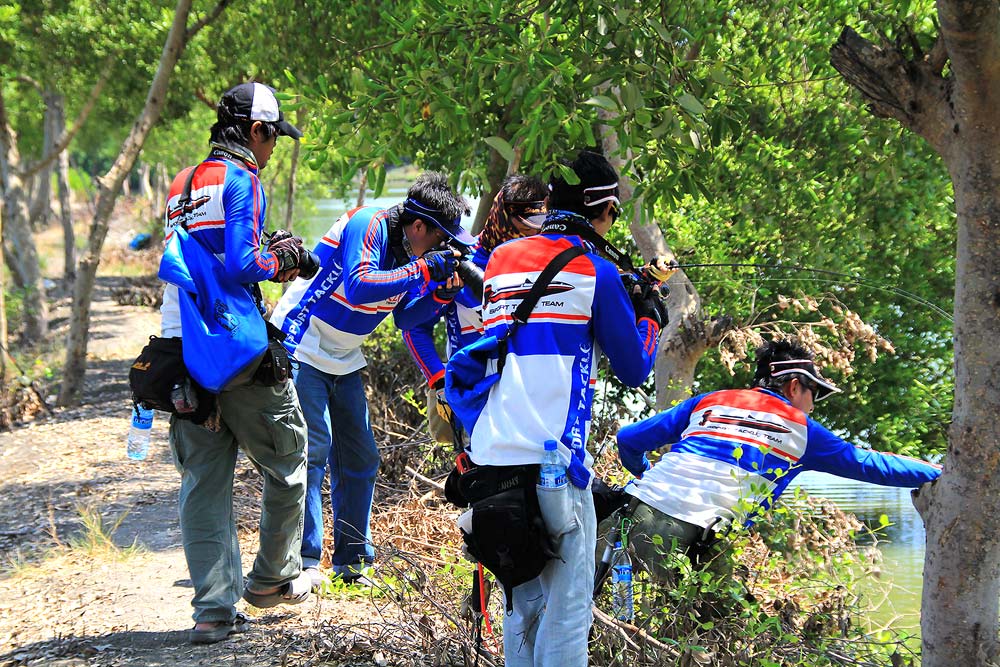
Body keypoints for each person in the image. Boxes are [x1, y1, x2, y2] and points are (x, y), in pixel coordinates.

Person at [447, 150, 665, 667]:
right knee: (569, 611)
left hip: (493, 456)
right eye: (612, 213)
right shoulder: (597, 272)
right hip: (553, 461)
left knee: (522, 603)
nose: (611, 221)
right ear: (602, 208)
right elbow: (635, 369)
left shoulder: (501, 260)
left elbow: (539, 320)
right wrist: (649, 316)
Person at [160, 82, 311, 645]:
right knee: (290, 461)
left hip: (181, 349)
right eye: (274, 138)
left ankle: (212, 613)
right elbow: (247, 265)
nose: (273, 150)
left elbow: (193, 259)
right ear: (256, 132)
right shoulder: (243, 179)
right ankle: (271, 581)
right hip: (236, 352)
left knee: (203, 482)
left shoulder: (180, 184)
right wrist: (286, 257)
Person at [270, 172, 471, 588]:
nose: (444, 249)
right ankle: (305, 563)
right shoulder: (370, 224)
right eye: (441, 239)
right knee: (312, 452)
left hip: (344, 356)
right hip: (302, 343)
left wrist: (440, 295)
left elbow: (403, 317)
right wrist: (422, 268)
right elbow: (360, 286)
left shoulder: (418, 254)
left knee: (361, 459)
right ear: (419, 227)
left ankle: (353, 564)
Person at [611, 338, 943, 580]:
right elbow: (872, 464)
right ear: (795, 386)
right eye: (815, 394)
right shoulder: (802, 429)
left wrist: (645, 474)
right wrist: (942, 472)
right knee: (715, 628)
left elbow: (627, 439)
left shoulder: (710, 400)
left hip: (638, 512)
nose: (813, 406)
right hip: (706, 535)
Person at [401, 175, 547, 443]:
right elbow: (413, 327)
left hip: (525, 395)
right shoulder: (459, 260)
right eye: (525, 230)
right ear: (501, 217)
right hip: (470, 394)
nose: (534, 238)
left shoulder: (545, 265)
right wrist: (439, 381)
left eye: (539, 230)